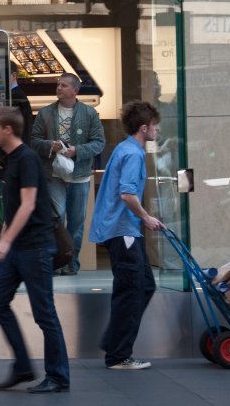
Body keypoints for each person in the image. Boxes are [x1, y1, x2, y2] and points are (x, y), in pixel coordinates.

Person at [0, 106, 70, 394]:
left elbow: (29, 204)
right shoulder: (11, 160)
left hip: (35, 248)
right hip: (18, 249)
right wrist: (4, 237)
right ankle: (23, 367)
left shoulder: (27, 159)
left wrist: (5, 241)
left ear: (8, 130)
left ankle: (58, 376)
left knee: (44, 313)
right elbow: (13, 208)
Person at [89, 100, 165, 370]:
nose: (157, 130)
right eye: (155, 126)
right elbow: (127, 193)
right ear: (144, 128)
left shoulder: (124, 149)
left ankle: (114, 342)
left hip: (121, 230)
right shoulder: (133, 154)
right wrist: (146, 217)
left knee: (144, 285)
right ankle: (119, 355)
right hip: (123, 232)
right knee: (131, 291)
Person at [30, 72, 105, 275]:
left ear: (75, 90)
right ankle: (57, 260)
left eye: (63, 85)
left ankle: (72, 261)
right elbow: (34, 140)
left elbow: (99, 142)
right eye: (58, 85)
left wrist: (77, 151)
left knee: (77, 221)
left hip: (80, 174)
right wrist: (50, 145)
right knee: (58, 217)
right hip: (53, 174)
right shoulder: (45, 113)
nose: (59, 88)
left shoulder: (89, 114)